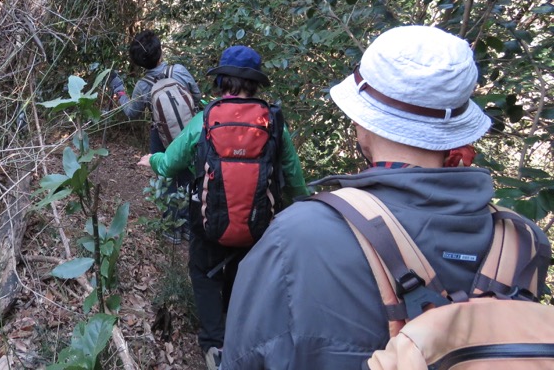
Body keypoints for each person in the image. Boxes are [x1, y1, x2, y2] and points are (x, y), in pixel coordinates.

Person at [222, 25, 551, 369]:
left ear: (362, 122)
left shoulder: (298, 235)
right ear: (455, 130)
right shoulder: (523, 245)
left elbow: (244, 357)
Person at [138, 45, 308, 370]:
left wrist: (153, 160)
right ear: (255, 83)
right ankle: (239, 335)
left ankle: (214, 344)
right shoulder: (273, 122)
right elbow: (294, 180)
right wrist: (303, 211)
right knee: (242, 272)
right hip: (258, 226)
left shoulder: (205, 120)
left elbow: (172, 163)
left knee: (202, 272)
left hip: (208, 224)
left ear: (222, 82)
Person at [110, 30, 202, 243]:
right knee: (189, 176)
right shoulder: (178, 70)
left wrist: (121, 93)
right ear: (160, 50)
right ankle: (188, 226)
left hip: (161, 136)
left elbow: (132, 113)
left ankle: (171, 228)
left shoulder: (143, 85)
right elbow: (196, 96)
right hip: (191, 132)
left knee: (167, 176)